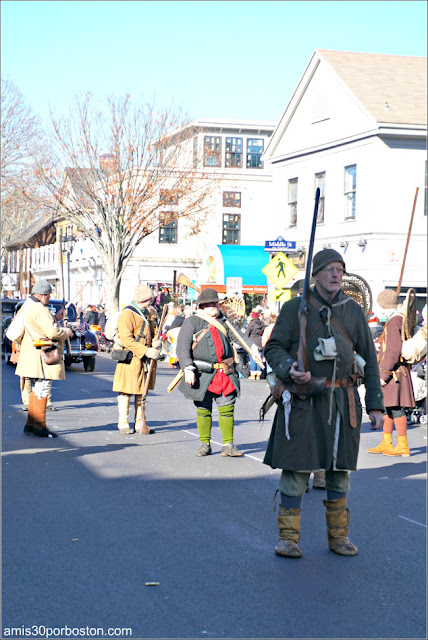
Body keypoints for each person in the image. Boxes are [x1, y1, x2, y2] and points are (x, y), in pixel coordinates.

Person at [263, 249, 384, 558]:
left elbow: (370, 362)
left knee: (339, 470)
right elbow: (274, 347)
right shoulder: (295, 308)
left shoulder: (353, 311)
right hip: (304, 401)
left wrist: (375, 405)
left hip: (343, 401)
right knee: (296, 469)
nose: (335, 274)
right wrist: (288, 367)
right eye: (329, 269)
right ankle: (287, 538)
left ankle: (339, 537)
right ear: (315, 274)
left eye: (339, 269)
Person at [176, 287, 244, 457]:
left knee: (227, 408)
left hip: (225, 372)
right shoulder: (192, 322)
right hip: (201, 373)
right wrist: (188, 368)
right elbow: (182, 348)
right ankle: (205, 444)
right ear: (202, 306)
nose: (213, 306)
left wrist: (254, 349)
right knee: (203, 409)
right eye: (209, 303)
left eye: (215, 303)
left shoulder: (225, 321)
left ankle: (228, 445)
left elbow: (240, 338)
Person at [15, 280, 73, 437]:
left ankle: (31, 424)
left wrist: (56, 318)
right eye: (48, 295)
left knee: (37, 388)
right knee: (43, 387)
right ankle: (40, 426)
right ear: (43, 295)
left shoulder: (29, 306)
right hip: (42, 353)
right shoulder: (39, 309)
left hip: (34, 352)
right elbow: (52, 332)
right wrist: (66, 332)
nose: (49, 298)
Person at [368, 290, 416, 457]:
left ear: (384, 306)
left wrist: (384, 374)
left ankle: (402, 445)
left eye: (380, 306)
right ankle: (386, 443)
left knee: (396, 408)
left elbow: (393, 351)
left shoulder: (395, 320)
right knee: (388, 406)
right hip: (392, 372)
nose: (379, 311)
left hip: (393, 373)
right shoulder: (394, 320)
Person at [112, 285, 161, 435]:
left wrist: (156, 342)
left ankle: (140, 423)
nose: (151, 302)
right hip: (131, 358)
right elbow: (126, 340)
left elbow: (153, 332)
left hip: (143, 360)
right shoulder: (127, 314)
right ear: (143, 299)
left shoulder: (147, 313)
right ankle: (123, 423)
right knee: (126, 392)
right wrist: (146, 350)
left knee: (142, 393)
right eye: (149, 299)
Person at [245, 309, 265, 379]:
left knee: (253, 358)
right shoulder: (262, 323)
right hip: (260, 342)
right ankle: (259, 374)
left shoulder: (251, 324)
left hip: (252, 342)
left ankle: (253, 374)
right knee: (259, 358)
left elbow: (246, 334)